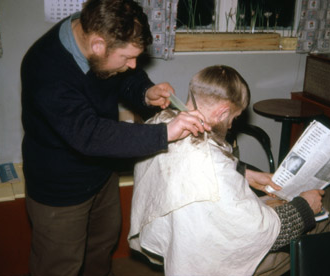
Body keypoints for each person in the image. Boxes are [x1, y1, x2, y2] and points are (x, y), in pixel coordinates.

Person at [20, 0, 210, 275]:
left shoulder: (100, 38)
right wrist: (165, 132)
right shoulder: (45, 67)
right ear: (97, 45)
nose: (133, 65)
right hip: (59, 189)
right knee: (59, 265)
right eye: (127, 57)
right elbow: (89, 134)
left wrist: (145, 92)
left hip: (100, 173)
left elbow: (124, 78)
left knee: (101, 248)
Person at [129, 65, 330, 276]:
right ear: (222, 112)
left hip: (178, 235)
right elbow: (271, 235)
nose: (231, 126)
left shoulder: (161, 124)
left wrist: (245, 173)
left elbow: (194, 171)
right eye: (233, 118)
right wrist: (306, 206)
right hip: (210, 259)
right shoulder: (213, 167)